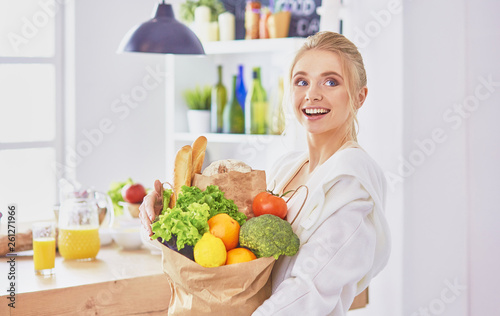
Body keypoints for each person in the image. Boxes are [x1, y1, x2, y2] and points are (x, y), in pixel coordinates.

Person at [139, 31, 391, 316]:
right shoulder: (287, 167)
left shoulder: (352, 186)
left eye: (331, 81)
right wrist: (166, 217)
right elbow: (226, 236)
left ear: (360, 97)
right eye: (302, 81)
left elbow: (308, 292)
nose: (312, 94)